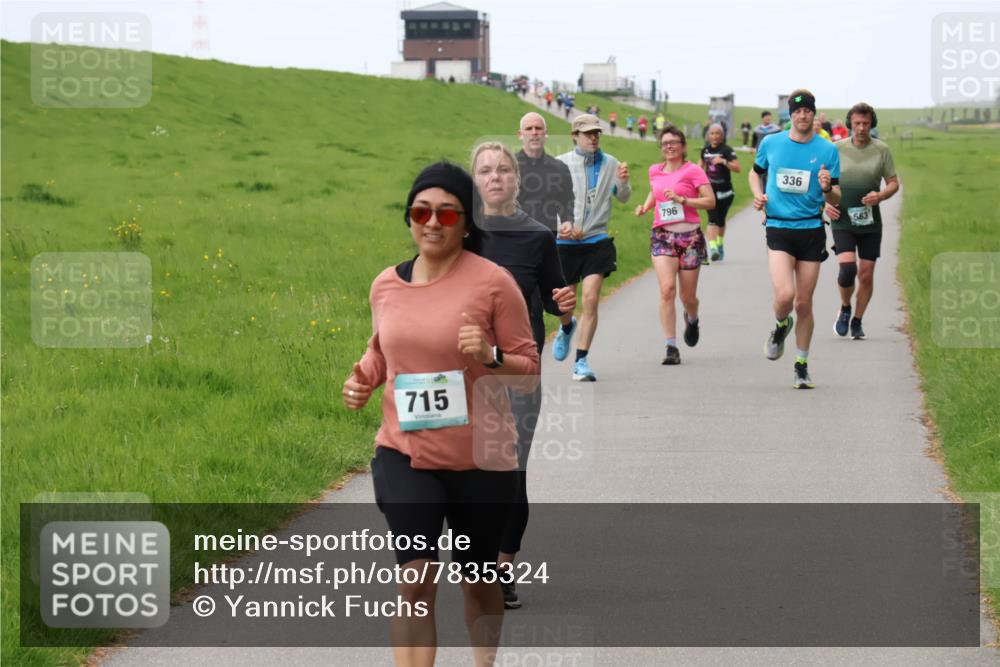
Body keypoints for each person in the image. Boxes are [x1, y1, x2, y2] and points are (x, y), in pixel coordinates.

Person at [343, 161, 540, 666]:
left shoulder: (494, 283)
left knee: (478, 581)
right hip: (404, 452)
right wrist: (364, 376)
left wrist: (491, 358)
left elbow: (529, 371)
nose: (432, 223)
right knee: (414, 579)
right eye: (421, 211)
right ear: (409, 218)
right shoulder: (385, 285)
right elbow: (382, 350)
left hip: (481, 457)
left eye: (447, 215)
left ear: (466, 222)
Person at [472, 139, 576, 611]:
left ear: (517, 178)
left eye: (503, 170)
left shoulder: (537, 236)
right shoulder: (459, 235)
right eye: (485, 171)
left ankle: (502, 570)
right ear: (475, 181)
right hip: (463, 373)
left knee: (511, 475)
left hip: (517, 371)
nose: (495, 177)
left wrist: (565, 304)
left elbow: (555, 297)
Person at [749, 89, 841, 389]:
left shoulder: (828, 150)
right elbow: (755, 173)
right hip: (778, 227)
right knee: (785, 297)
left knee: (804, 303)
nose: (803, 115)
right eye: (798, 111)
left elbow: (836, 196)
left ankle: (801, 365)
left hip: (811, 230)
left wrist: (828, 188)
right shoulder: (771, 142)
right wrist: (757, 195)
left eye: (808, 111)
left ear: (814, 114)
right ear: (790, 114)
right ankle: (779, 326)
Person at [555, 114, 632, 381]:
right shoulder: (561, 164)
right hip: (564, 242)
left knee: (590, 299)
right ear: (574, 136)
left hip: (596, 240)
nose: (593, 137)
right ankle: (566, 327)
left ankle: (581, 361)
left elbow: (623, 198)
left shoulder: (611, 163)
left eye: (596, 133)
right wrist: (564, 224)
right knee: (565, 302)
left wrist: (623, 181)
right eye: (587, 133)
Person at [634, 124, 716, 364]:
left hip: (689, 238)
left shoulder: (693, 171)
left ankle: (692, 318)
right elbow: (655, 193)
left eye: (673, 143)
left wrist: (684, 200)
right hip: (663, 236)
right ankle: (671, 346)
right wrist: (645, 206)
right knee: (667, 289)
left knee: (688, 296)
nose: (669, 146)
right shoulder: (654, 171)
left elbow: (710, 201)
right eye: (665, 143)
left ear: (683, 147)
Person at [825, 102, 899, 340]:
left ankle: (857, 320)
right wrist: (825, 205)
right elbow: (820, 183)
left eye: (866, 123)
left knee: (866, 275)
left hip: (870, 222)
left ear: (872, 124)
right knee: (848, 270)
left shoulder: (882, 149)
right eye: (857, 123)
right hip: (842, 217)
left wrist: (881, 195)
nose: (861, 128)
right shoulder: (835, 149)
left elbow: (893, 182)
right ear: (850, 124)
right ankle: (845, 307)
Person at [700, 123, 741, 261]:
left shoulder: (727, 150)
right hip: (709, 192)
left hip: (726, 192)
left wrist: (723, 161)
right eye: (712, 133)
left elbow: (737, 168)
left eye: (717, 133)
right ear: (708, 135)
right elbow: (699, 169)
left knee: (720, 221)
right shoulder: (705, 150)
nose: (714, 136)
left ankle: (719, 243)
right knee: (712, 220)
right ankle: (713, 248)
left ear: (722, 135)